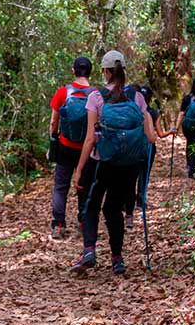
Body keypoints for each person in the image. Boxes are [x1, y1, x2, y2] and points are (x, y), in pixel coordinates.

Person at [71, 50, 157, 275]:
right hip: (127, 165)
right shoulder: (137, 97)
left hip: (102, 162)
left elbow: (90, 139)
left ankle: (89, 251)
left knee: (91, 206)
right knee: (113, 209)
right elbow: (150, 137)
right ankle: (117, 259)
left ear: (106, 71)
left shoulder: (96, 97)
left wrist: (79, 170)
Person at [48, 57, 94, 239]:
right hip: (87, 148)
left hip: (65, 146)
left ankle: (58, 225)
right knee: (84, 184)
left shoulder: (62, 92)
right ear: (90, 72)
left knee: (61, 186)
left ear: (73, 71)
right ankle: (83, 221)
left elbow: (54, 121)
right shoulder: (96, 95)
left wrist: (53, 141)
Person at [124, 85, 172, 229]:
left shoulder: (130, 110)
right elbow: (157, 136)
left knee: (130, 177)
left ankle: (127, 204)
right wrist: (171, 131)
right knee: (144, 175)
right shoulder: (152, 113)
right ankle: (140, 201)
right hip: (147, 149)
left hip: (132, 148)